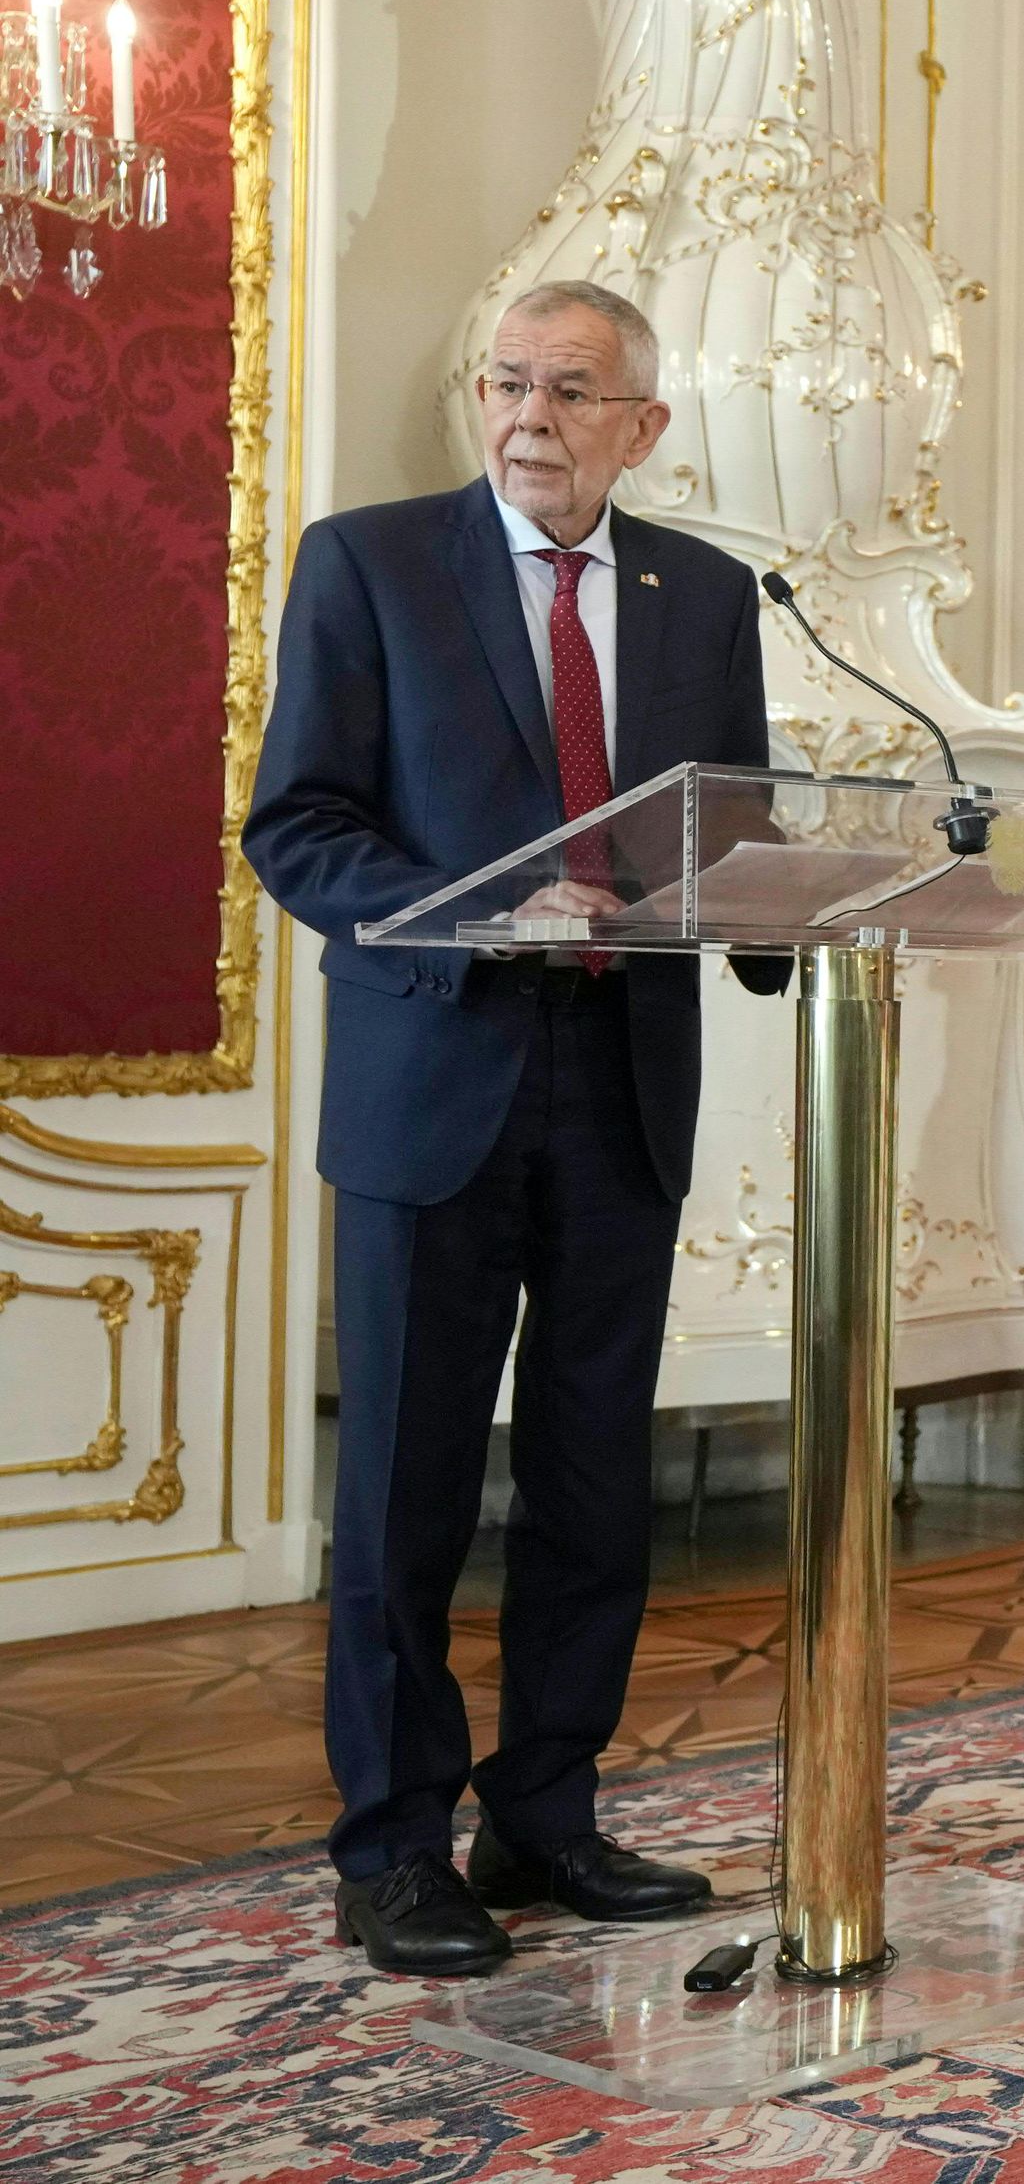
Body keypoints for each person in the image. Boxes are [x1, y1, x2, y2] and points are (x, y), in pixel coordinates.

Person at [247, 281, 788, 1976]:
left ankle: (545, 1813)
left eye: (571, 390)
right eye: (508, 383)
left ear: (645, 424)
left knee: (589, 1475)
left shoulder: (701, 593)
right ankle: (393, 1844)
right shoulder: (371, 563)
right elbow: (300, 826)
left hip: (623, 1078)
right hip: (439, 1071)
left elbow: (739, 830)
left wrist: (807, 924)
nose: (531, 418)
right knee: (407, 1483)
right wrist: (474, 912)